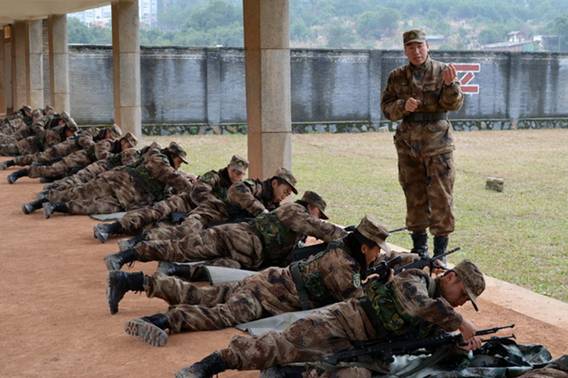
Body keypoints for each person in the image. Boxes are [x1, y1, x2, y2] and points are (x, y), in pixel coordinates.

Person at [107, 215, 410, 349]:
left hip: (269, 280)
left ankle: (131, 280)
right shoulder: (344, 266)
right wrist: (379, 282)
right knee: (220, 314)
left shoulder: (343, 249)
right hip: (268, 296)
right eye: (375, 251)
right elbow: (355, 303)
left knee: (204, 296)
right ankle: (161, 320)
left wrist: (387, 268)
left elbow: (359, 272)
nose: (377, 256)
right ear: (364, 247)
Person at [175, 259, 485, 378]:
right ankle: (211, 364)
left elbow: (426, 345)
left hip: (363, 348)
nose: (460, 301)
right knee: (278, 345)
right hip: (341, 322)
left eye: (465, 301)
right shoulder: (415, 278)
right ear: (451, 276)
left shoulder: (439, 313)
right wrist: (459, 321)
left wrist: (459, 345)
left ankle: (293, 373)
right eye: (463, 293)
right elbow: (416, 304)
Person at [103, 190, 341, 272]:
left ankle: (171, 272)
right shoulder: (294, 211)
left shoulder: (293, 219)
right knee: (179, 248)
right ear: (312, 207)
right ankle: (125, 256)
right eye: (319, 213)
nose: (318, 217)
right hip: (238, 237)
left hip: (244, 254)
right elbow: (318, 228)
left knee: (212, 270)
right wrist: (347, 234)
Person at [381, 29, 464, 259]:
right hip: (408, 146)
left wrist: (450, 86)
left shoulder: (442, 71)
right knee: (414, 195)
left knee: (441, 197)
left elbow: (454, 104)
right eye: (411, 47)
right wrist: (402, 106)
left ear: (427, 46)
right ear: (405, 50)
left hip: (438, 144)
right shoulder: (397, 76)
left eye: (420, 46)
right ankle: (419, 249)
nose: (416, 51)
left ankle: (440, 253)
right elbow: (387, 108)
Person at [92, 154, 250, 242]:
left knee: (164, 230)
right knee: (153, 212)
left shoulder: (238, 189)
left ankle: (134, 241)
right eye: (235, 171)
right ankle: (109, 228)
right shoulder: (214, 176)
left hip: (197, 215)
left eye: (240, 173)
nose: (237, 175)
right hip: (184, 202)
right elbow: (199, 192)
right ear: (229, 167)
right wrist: (218, 205)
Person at [40, 142, 194, 217]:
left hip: (127, 198)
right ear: (172, 155)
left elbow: (169, 188)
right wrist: (193, 189)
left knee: (95, 208)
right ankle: (46, 198)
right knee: (80, 192)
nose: (179, 166)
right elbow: (171, 176)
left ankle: (56, 207)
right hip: (116, 181)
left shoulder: (166, 168)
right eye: (179, 161)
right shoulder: (157, 157)